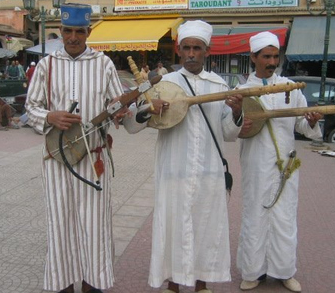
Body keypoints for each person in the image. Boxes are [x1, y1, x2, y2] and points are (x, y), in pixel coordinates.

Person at [125, 20, 243, 293]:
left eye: (197, 48)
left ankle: (201, 285)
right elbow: (132, 124)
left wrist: (237, 112)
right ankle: (173, 285)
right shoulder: (162, 83)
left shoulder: (218, 85)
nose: (191, 53)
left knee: (205, 226)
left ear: (207, 51)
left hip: (209, 173)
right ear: (179, 51)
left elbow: (228, 132)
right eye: (186, 48)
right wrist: (148, 109)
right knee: (173, 227)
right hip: (173, 170)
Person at [25, 3, 131, 293]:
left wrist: (120, 112)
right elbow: (30, 107)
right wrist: (49, 116)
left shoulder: (104, 64)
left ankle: (92, 285)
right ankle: (62, 285)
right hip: (57, 160)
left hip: (92, 158)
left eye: (79, 32)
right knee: (60, 224)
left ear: (89, 32)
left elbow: (116, 104)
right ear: (60, 31)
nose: (73, 37)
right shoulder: (47, 65)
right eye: (68, 31)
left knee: (94, 227)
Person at [236, 31, 322, 292]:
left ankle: (285, 271)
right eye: (266, 56)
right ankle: (252, 271)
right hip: (256, 165)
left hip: (286, 166)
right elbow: (229, 129)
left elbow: (304, 127)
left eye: (275, 56)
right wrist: (238, 121)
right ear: (253, 57)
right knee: (255, 215)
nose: (272, 62)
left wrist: (312, 121)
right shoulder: (240, 92)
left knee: (285, 218)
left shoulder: (291, 88)